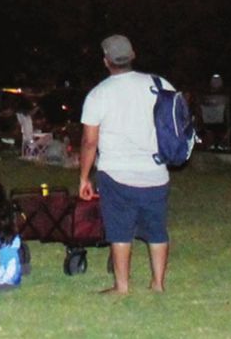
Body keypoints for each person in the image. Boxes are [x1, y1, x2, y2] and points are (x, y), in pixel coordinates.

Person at [79, 34, 171, 295]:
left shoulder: (99, 94)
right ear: (133, 56)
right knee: (157, 230)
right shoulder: (159, 84)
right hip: (156, 171)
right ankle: (158, 284)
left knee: (119, 230)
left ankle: (122, 287)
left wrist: (84, 177)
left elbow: (89, 142)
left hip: (116, 173)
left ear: (106, 61)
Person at [198, 74, 231, 150]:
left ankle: (219, 144)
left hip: (216, 123)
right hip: (211, 123)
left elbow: (227, 111)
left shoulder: (224, 97)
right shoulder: (205, 97)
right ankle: (215, 144)